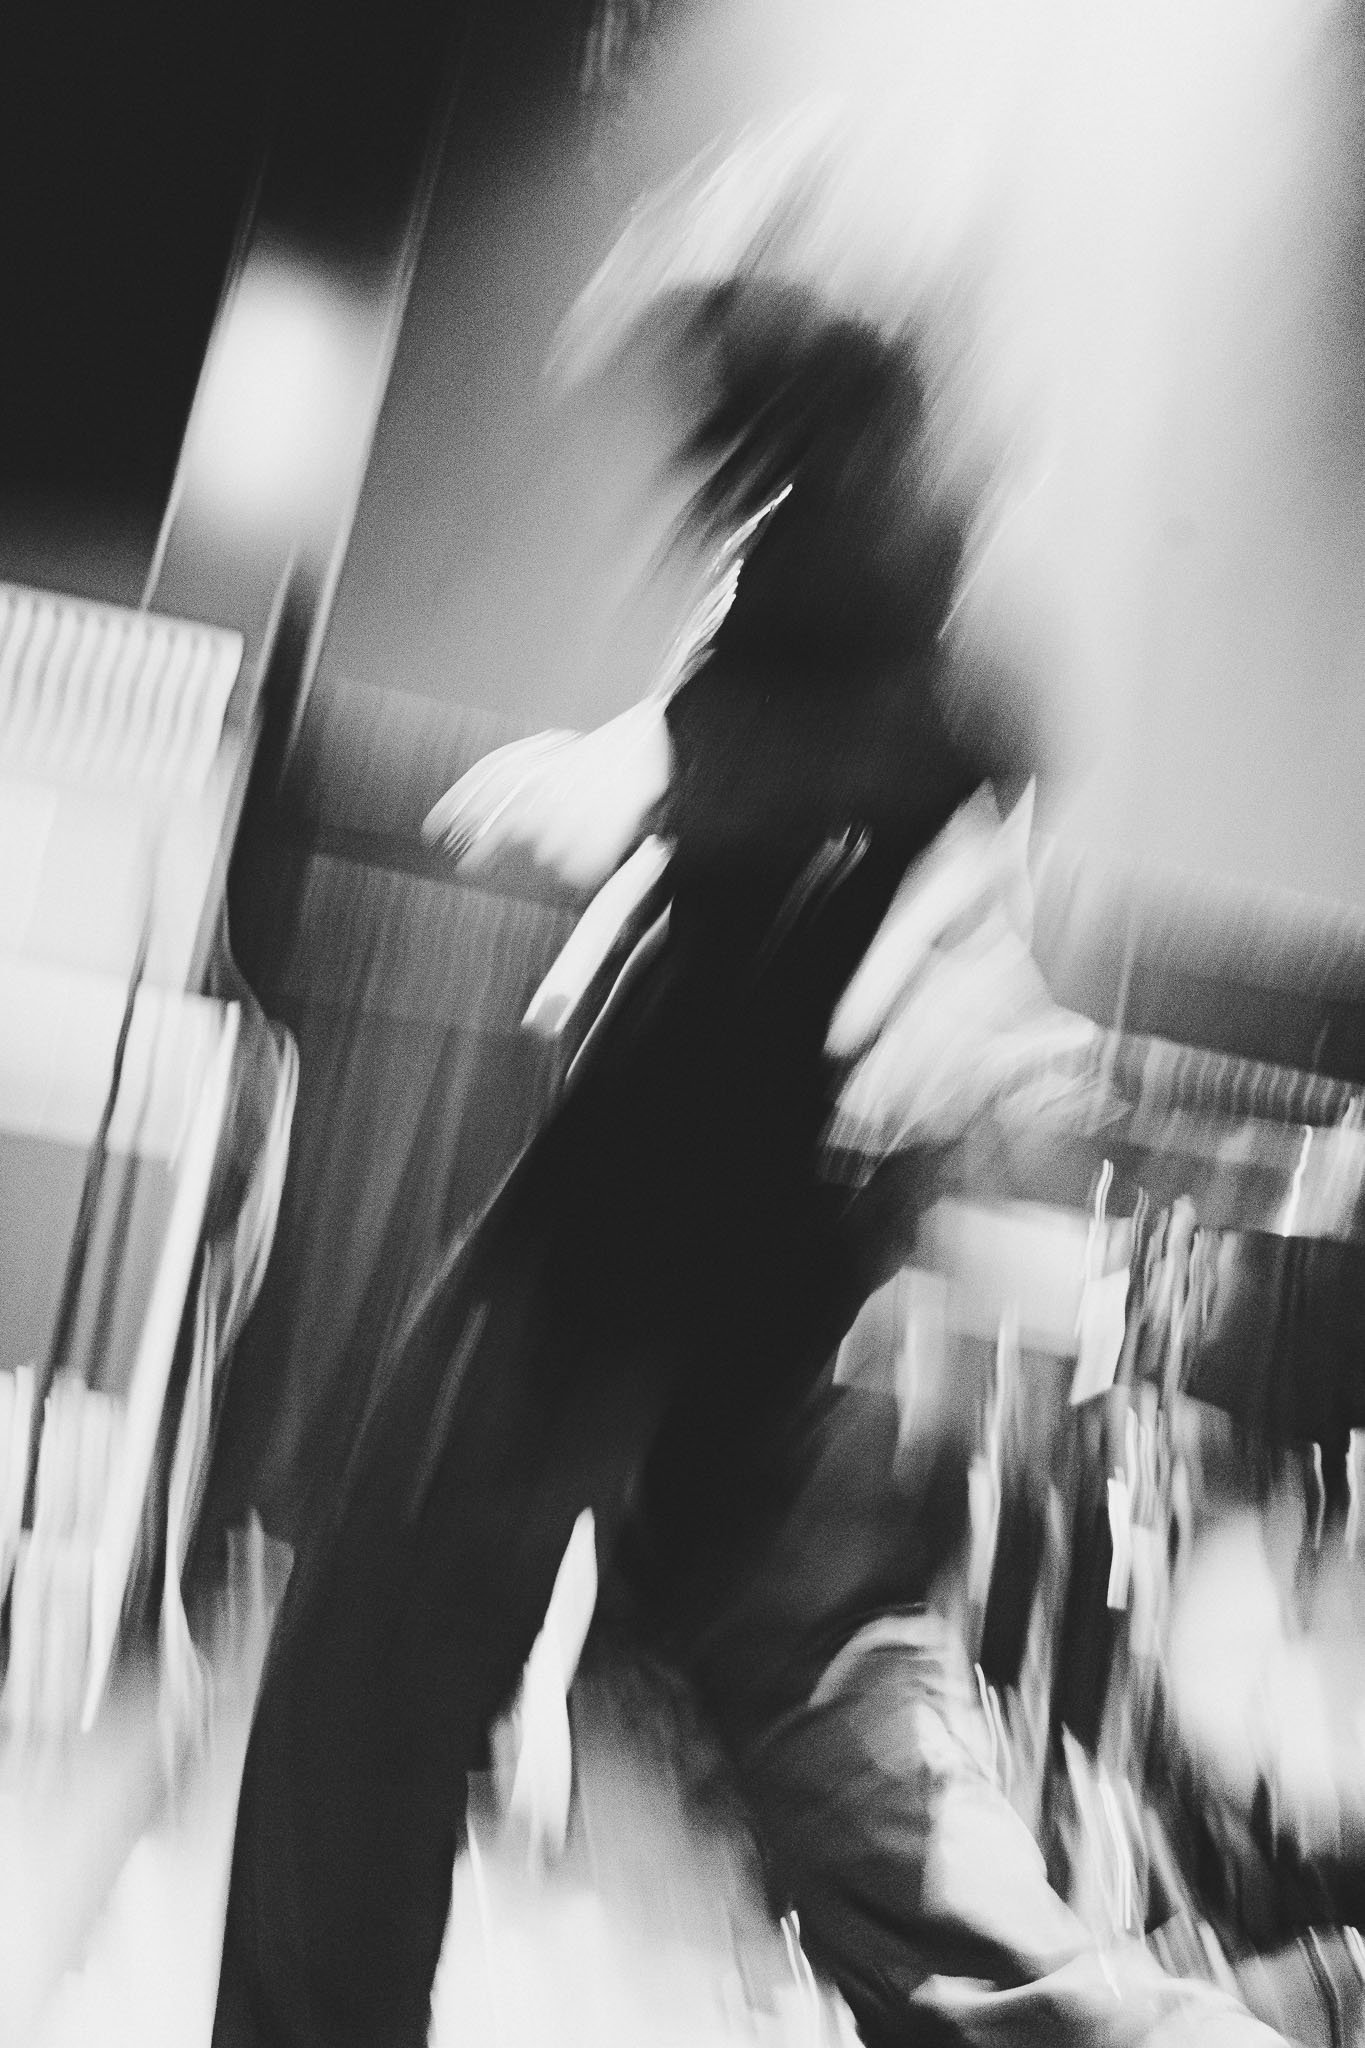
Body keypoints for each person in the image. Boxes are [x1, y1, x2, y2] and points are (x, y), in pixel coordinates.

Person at [210, 143, 1281, 2048]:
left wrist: (645, 797)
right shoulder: (860, 570)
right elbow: (829, 765)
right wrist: (646, 812)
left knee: (376, 1671)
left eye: (721, 379)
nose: (695, 428)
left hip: (640, 1222)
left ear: (808, 386)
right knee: (823, 1724)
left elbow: (859, 750)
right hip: (770, 1257)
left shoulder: (872, 576)